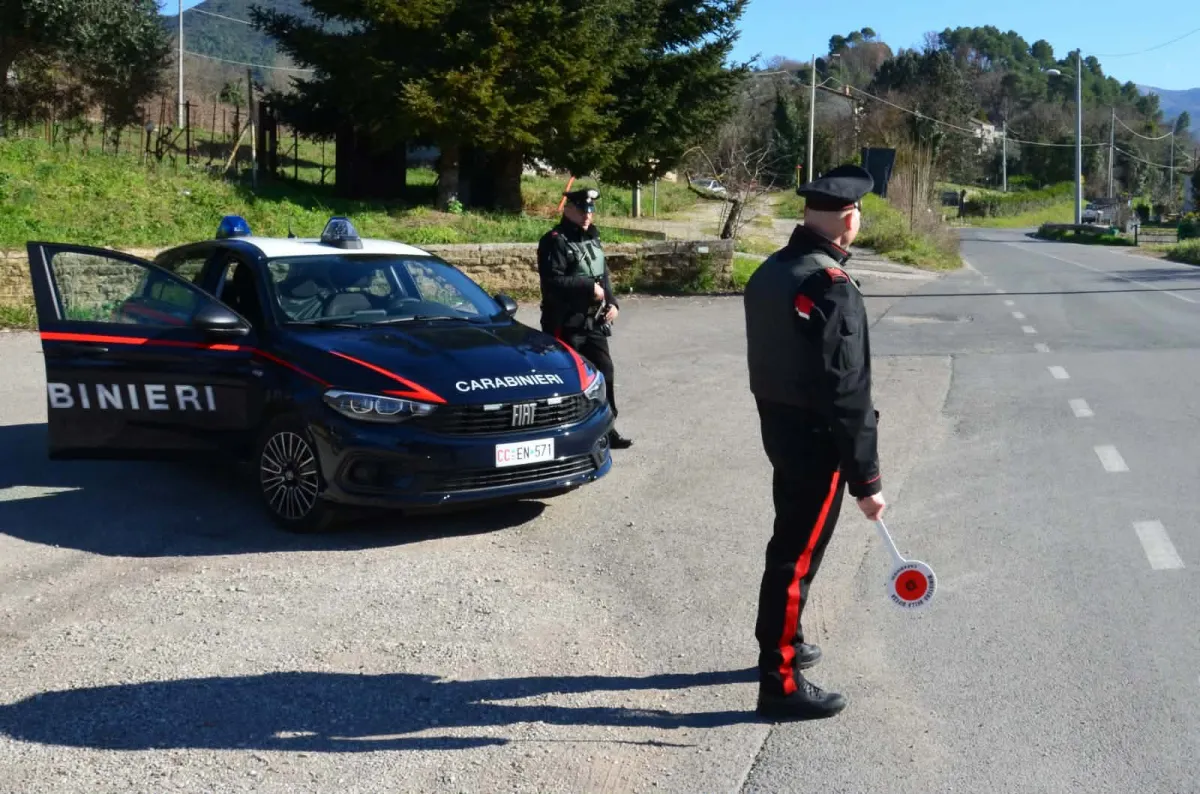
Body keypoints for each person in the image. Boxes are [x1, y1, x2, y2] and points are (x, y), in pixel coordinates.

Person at [742, 163, 887, 721]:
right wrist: (867, 479)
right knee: (794, 559)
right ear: (849, 219)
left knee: (790, 546)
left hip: (780, 430)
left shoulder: (772, 270)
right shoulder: (829, 285)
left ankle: (790, 636)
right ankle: (779, 683)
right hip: (816, 440)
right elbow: (847, 392)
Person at [536, 187, 633, 449]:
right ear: (567, 209)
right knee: (570, 381)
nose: (587, 215)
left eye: (589, 210)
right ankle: (565, 435)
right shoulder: (554, 240)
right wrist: (587, 288)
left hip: (593, 322)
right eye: (581, 210)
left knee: (605, 372)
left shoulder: (592, 238)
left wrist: (612, 303)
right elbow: (552, 280)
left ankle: (607, 428)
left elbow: (603, 277)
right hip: (565, 323)